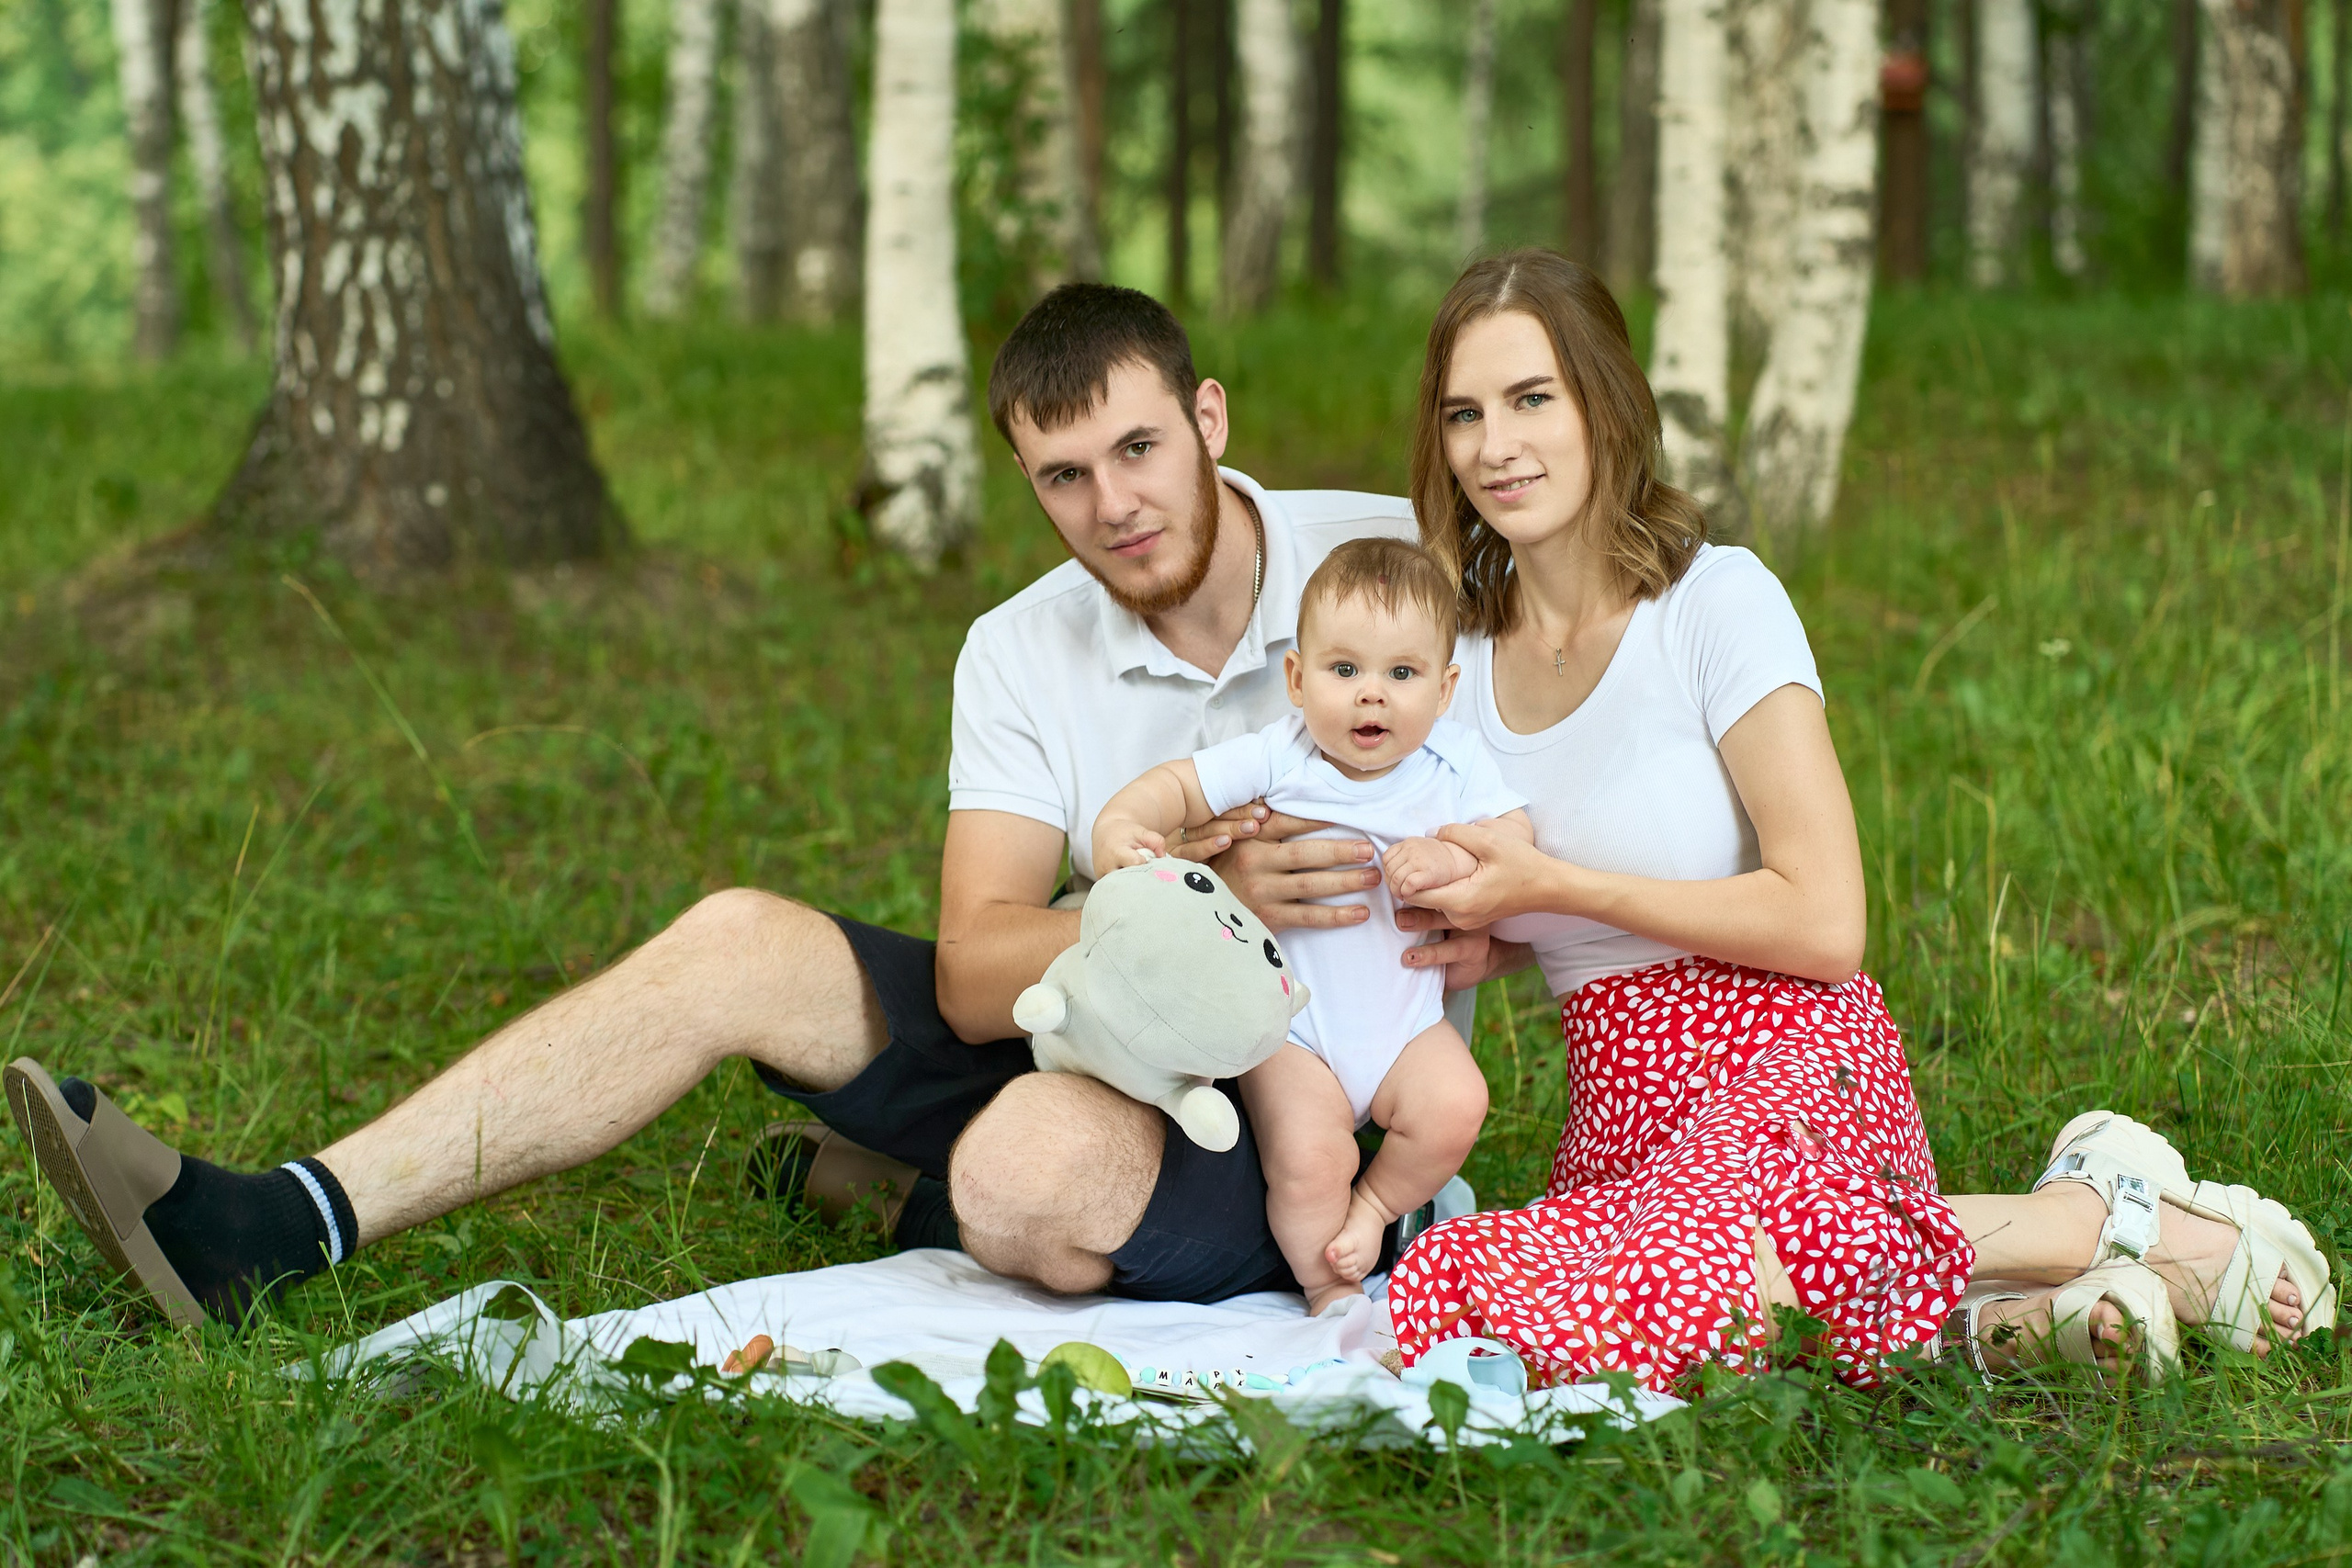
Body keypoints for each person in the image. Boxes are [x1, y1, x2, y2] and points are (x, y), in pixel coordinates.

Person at [6, 282, 1483, 1327]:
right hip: (1078, 1014)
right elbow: (974, 974)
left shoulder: (1391, 564)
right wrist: (1167, 898)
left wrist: (1484, 899)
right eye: (1063, 475)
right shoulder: (1020, 644)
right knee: (736, 936)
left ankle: (910, 1192)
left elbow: (1552, 786)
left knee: (1027, 1162)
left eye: (1141, 448)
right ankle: (278, 1222)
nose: (1115, 506)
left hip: (1307, 1114)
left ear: (1209, 413)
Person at [1375, 248, 2335, 1392]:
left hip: (1788, 1061)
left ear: (1606, 407)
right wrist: (1486, 922)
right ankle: (2020, 1320)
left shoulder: (1715, 604)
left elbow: (1826, 920)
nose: (1496, 444)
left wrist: (1554, 890)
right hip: (1625, 1113)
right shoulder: (1457, 669)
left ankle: (2090, 1216)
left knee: (1698, 1280)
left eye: (1533, 398)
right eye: (1464, 414)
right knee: (1452, 1284)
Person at [1092, 537, 1531, 1314]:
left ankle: (1374, 1209)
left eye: (1402, 674)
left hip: (1406, 1026)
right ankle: (1327, 1285)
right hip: (1296, 1031)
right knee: (1307, 1158)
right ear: (1297, 679)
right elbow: (1179, 787)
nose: (1373, 695)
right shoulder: (1282, 756)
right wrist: (1127, 820)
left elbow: (1514, 847)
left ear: (1445, 687)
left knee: (1457, 1102)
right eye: (1345, 670)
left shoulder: (1456, 767)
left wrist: (1451, 857)